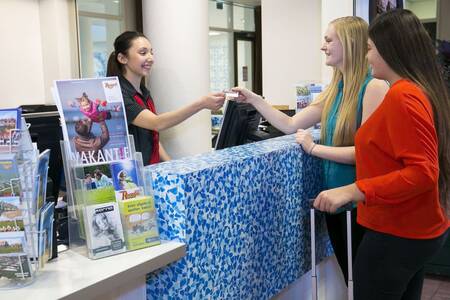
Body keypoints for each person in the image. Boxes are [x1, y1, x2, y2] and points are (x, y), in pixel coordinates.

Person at [233, 16, 389, 284]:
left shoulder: (373, 88)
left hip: (360, 204)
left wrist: (314, 148)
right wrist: (256, 100)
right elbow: (290, 124)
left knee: (367, 285)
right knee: (353, 280)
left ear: (349, 43)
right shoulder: (334, 89)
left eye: (329, 40)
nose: (323, 46)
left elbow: (364, 154)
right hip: (336, 206)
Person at [312, 9, 450, 299]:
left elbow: (423, 172)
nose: (367, 57)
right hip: (414, 229)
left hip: (399, 230)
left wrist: (355, 189)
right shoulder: (416, 90)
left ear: (390, 50)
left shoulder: (403, 96)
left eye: (371, 49)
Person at [107, 31, 225, 165]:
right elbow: (157, 123)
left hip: (151, 169)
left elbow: (153, 134)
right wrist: (201, 104)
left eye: (151, 52)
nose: (150, 58)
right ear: (122, 58)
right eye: (143, 53)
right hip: (132, 175)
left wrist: (170, 164)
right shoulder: (118, 95)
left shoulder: (143, 91)